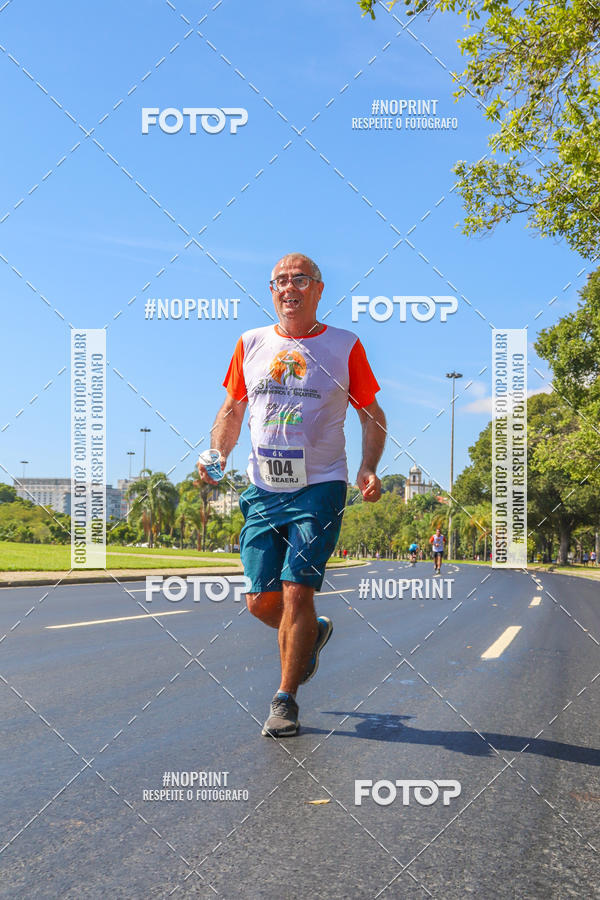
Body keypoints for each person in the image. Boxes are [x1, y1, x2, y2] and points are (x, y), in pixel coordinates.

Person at [198, 253, 386, 738]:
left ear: (318, 289)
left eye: (299, 279)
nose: (288, 288)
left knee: (297, 590)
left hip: (319, 485)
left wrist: (368, 467)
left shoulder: (345, 345)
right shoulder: (250, 343)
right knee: (263, 602)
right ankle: (313, 632)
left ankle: (285, 701)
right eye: (280, 281)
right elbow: (232, 409)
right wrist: (216, 454)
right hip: (262, 488)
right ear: (272, 290)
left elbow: (371, 413)